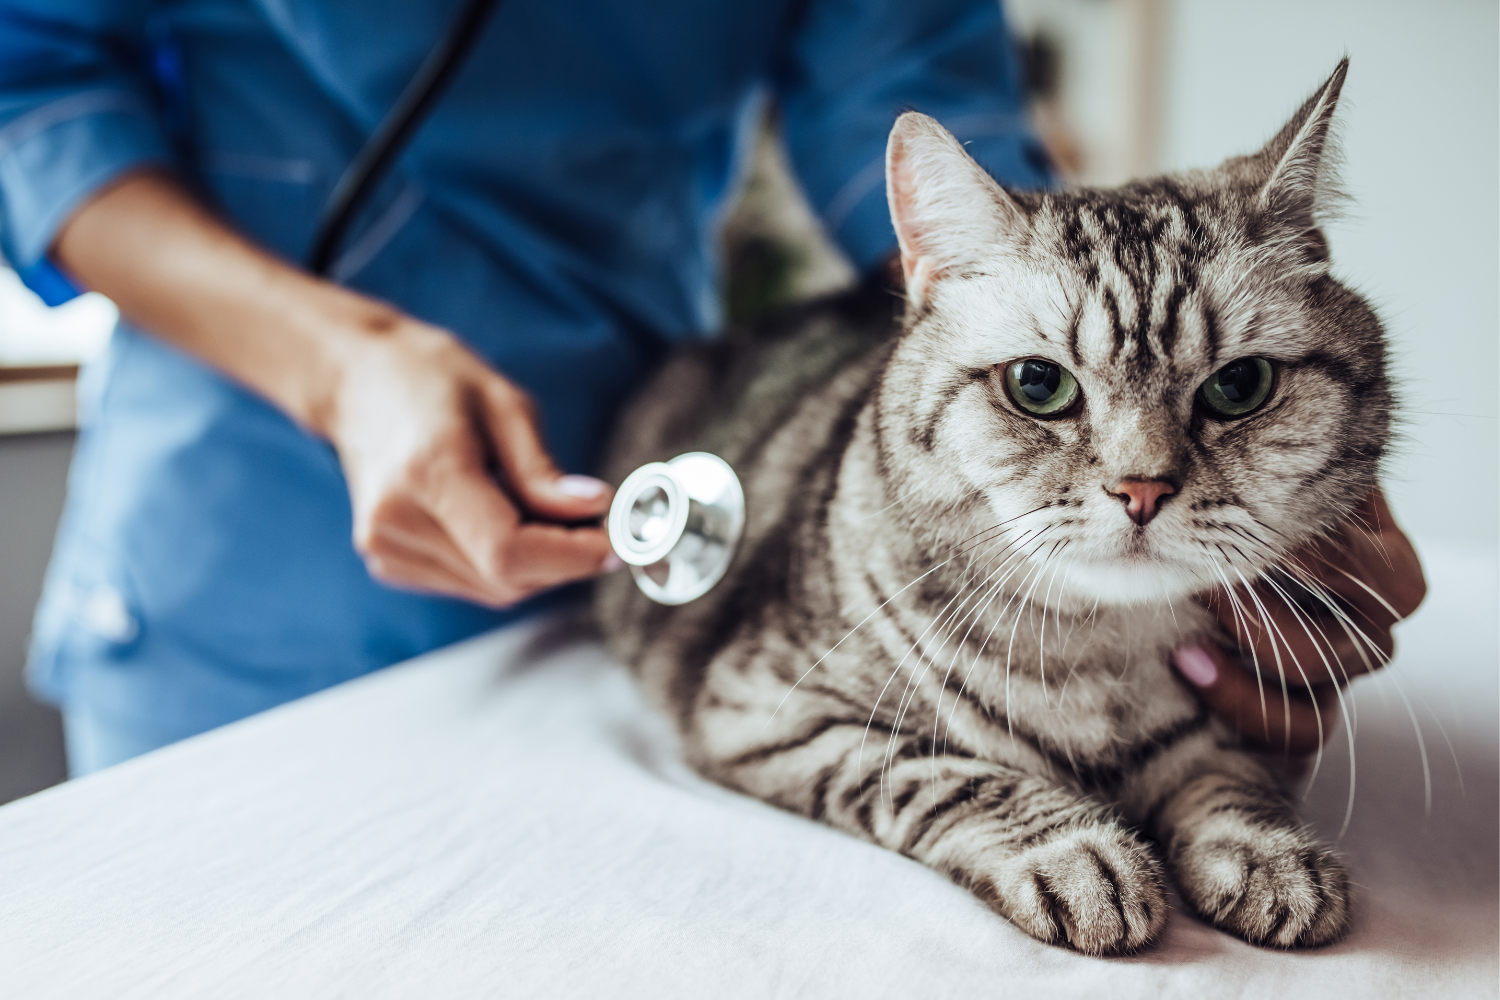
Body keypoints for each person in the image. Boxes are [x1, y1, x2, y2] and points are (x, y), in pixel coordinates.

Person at [0, 0, 1421, 777]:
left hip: (668, 493)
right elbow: (33, 84)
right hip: (248, 512)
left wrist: (1152, 395)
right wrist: (338, 362)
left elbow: (919, 109)